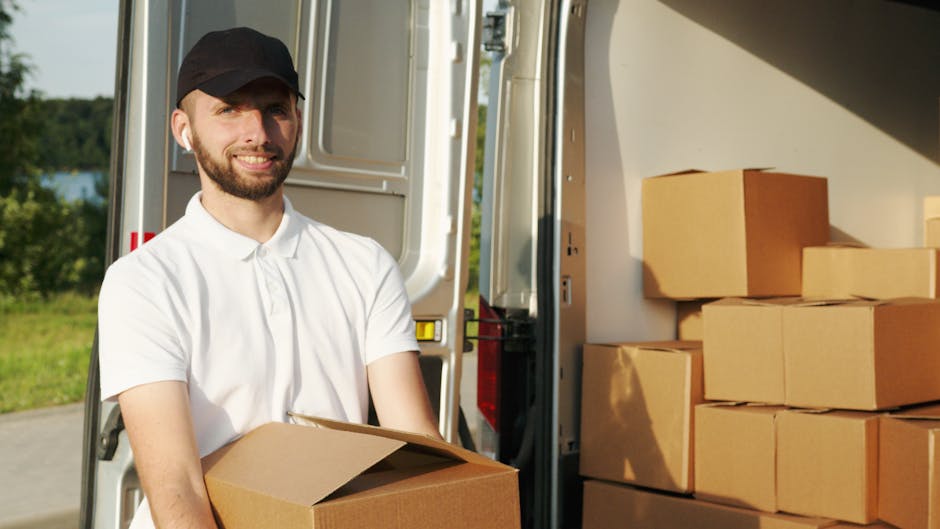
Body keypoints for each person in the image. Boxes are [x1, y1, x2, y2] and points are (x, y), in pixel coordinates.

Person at [97, 27, 442, 529]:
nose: (257, 132)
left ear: (297, 121)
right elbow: (177, 485)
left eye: (275, 109)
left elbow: (416, 442)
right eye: (229, 109)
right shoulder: (145, 280)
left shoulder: (364, 264)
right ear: (183, 129)